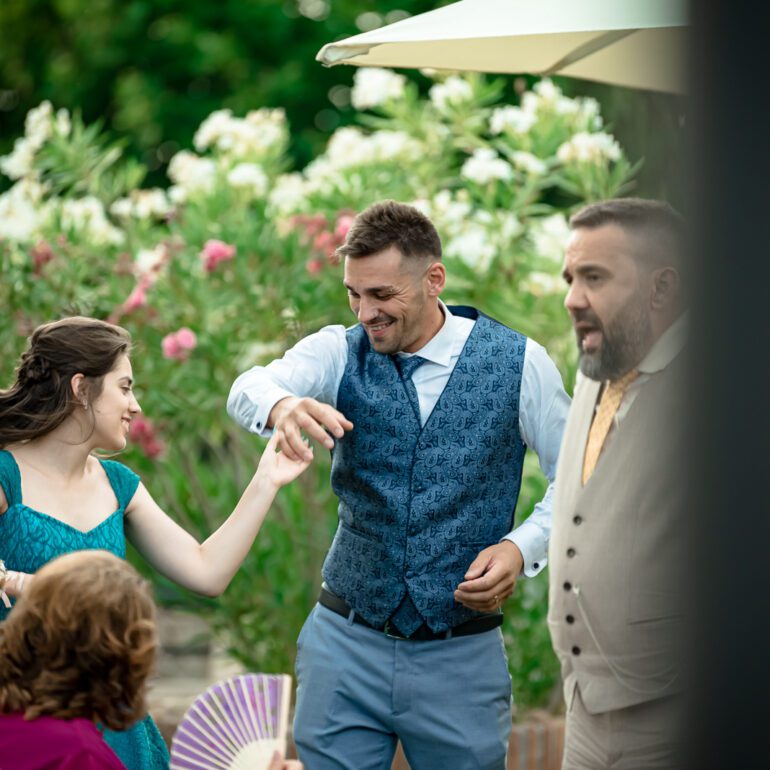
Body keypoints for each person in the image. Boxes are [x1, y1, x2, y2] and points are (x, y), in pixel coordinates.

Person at [228, 200, 571, 770]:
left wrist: (522, 547)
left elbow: (580, 481)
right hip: (344, 644)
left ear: (434, 279)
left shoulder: (521, 364)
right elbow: (249, 386)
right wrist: (283, 404)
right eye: (353, 294)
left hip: (460, 657)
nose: (365, 312)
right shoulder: (337, 351)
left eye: (382, 295)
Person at [0, 316, 311, 770]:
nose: (136, 405)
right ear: (81, 388)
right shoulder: (7, 475)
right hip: (29, 712)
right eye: (124, 388)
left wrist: (267, 480)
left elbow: (206, 571)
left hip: (113, 717)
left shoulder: (118, 485)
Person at [548, 198, 687, 769]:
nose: (572, 299)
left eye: (595, 278)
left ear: (661, 289)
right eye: (570, 277)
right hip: (584, 711)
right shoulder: (597, 364)